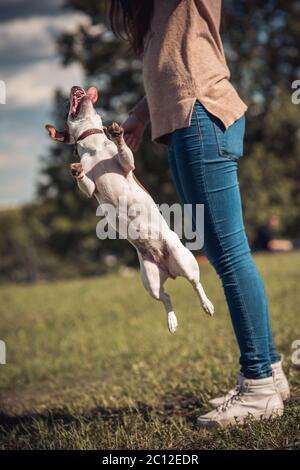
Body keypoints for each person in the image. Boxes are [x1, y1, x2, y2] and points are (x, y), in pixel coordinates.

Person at [108, 0, 290, 428]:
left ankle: (259, 385)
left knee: (229, 254)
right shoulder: (157, 13)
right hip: (182, 123)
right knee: (222, 249)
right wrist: (139, 114)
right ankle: (270, 371)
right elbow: (168, 66)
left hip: (201, 115)